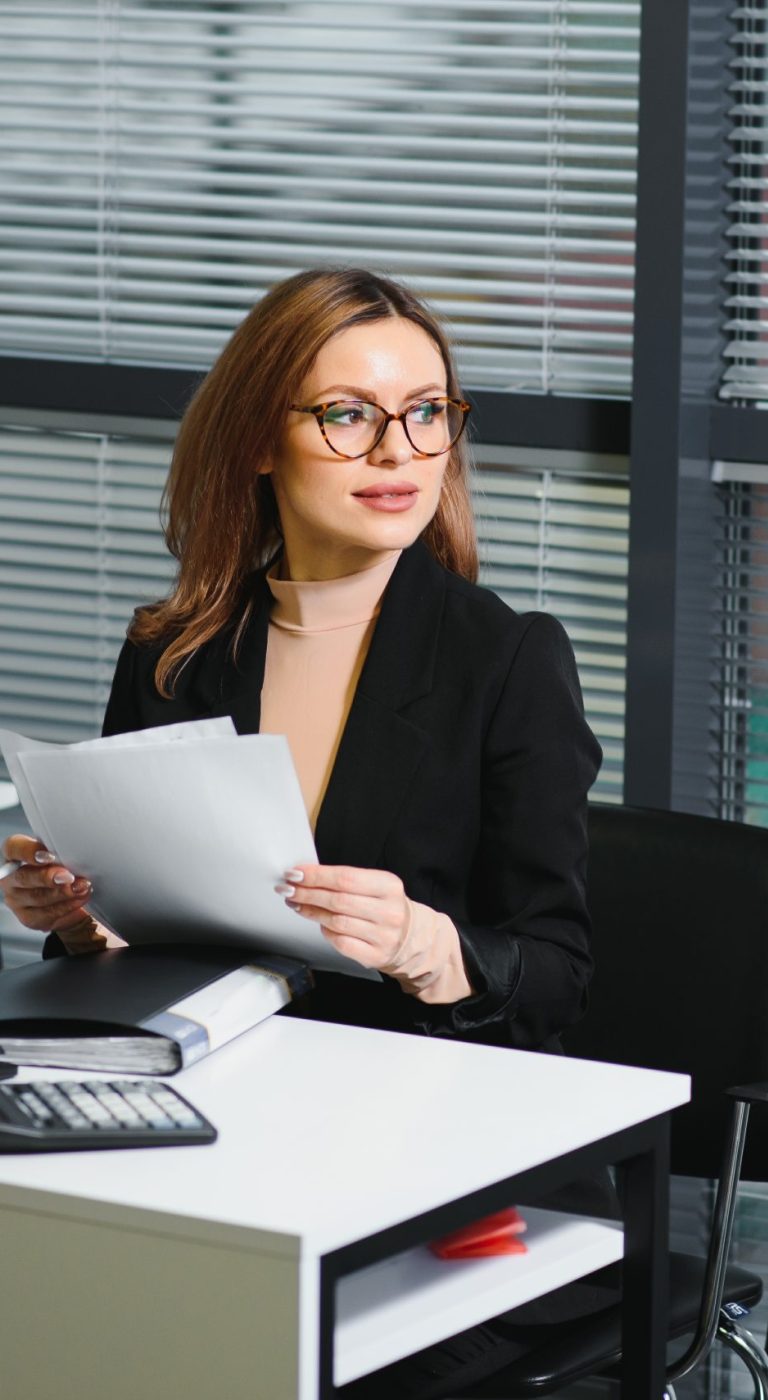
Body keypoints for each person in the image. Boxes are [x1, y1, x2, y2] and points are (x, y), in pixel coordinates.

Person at [0, 268, 615, 1397]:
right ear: (257, 443)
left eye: (427, 411)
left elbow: (557, 978)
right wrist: (81, 918)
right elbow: (144, 955)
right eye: (348, 413)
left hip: (435, 1154)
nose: (399, 450)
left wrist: (434, 946)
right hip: (230, 1127)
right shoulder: (173, 650)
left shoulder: (508, 658)